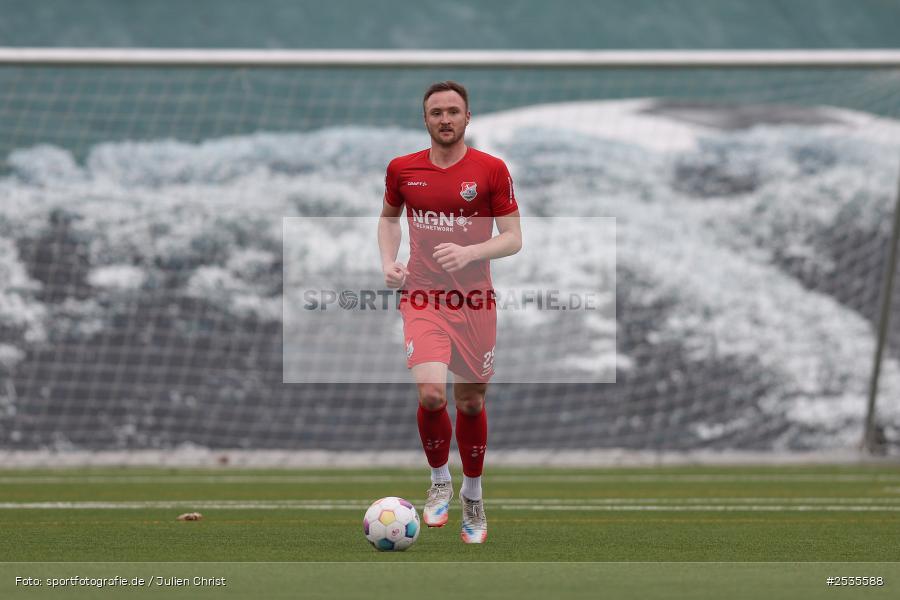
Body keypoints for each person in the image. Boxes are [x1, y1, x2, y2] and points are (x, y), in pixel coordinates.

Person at [377, 81, 522, 544]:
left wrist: (471, 251)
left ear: (467, 117)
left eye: (453, 111)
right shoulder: (403, 169)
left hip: (475, 302)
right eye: (436, 112)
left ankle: (473, 497)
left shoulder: (490, 170)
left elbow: (513, 237)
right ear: (425, 119)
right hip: (423, 298)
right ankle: (440, 479)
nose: (445, 119)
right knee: (432, 395)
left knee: (471, 402)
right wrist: (387, 262)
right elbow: (388, 218)